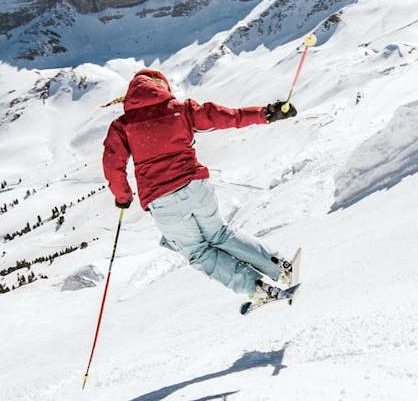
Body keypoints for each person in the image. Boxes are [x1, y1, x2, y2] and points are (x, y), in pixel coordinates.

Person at [102, 68, 299, 309]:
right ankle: (280, 266)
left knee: (198, 252)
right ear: (161, 88)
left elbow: (113, 164)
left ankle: (256, 288)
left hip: (162, 200)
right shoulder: (180, 109)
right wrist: (266, 113)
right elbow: (226, 117)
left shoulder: (123, 125)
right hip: (196, 186)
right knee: (220, 233)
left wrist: (123, 197)